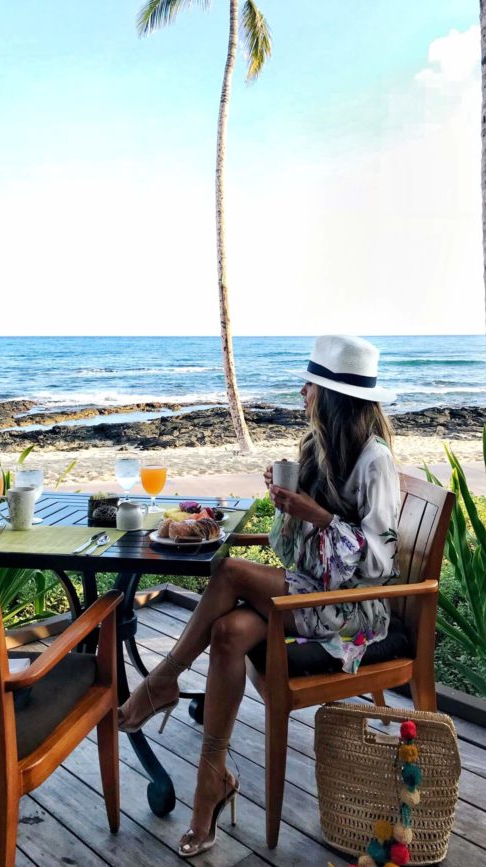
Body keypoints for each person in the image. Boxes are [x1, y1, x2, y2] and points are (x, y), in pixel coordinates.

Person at [117, 334, 400, 858]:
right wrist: (287, 507)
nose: (301, 394)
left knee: (226, 571)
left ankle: (162, 680)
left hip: (354, 612)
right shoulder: (317, 450)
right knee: (228, 633)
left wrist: (317, 515)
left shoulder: (375, 461)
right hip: (314, 593)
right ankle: (212, 785)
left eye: (310, 386)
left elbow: (379, 563)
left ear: (333, 397)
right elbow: (292, 554)